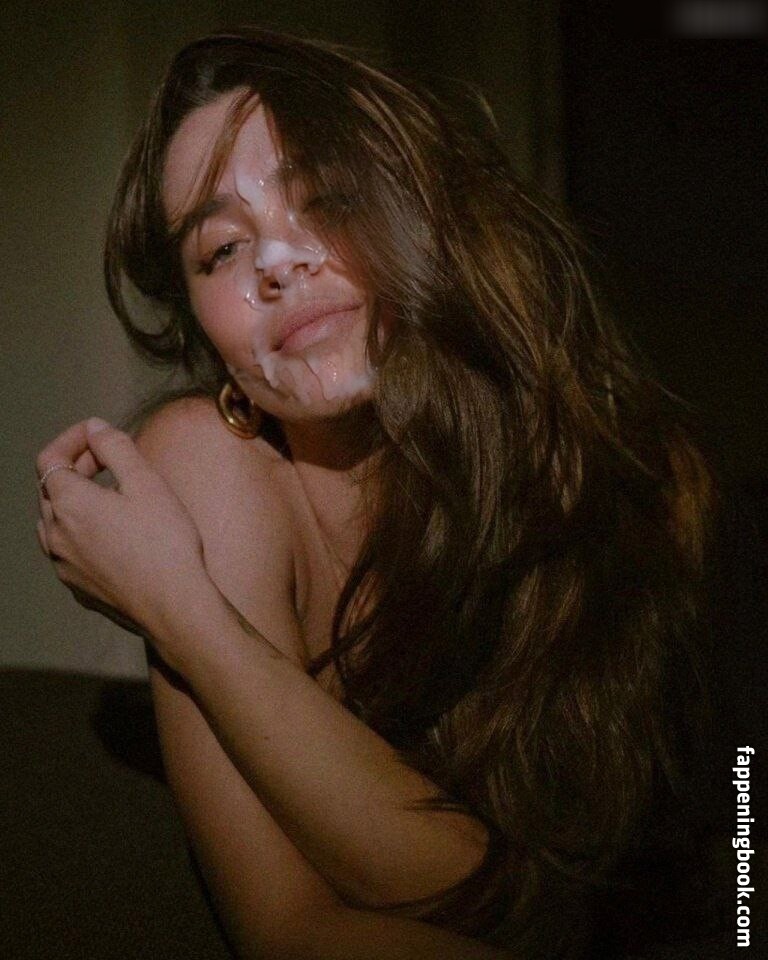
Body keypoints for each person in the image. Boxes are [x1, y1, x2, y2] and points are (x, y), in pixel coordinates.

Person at [35, 28, 723, 960]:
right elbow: (294, 932)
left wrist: (183, 610)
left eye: (325, 199)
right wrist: (182, 604)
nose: (276, 263)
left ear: (430, 216)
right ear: (203, 331)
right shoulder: (206, 462)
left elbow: (582, 911)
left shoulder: (635, 479)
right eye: (222, 249)